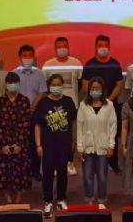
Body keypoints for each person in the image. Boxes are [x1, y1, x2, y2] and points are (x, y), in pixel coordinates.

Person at [34, 74, 78, 218]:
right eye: (54, 85)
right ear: (49, 86)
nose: (56, 87)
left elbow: (73, 122)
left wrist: (74, 140)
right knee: (47, 173)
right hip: (47, 145)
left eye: (59, 84)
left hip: (64, 144)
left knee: (62, 173)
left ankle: (61, 199)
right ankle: (47, 201)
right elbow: (37, 125)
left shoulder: (68, 101)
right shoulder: (43, 103)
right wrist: (38, 144)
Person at [82, 35, 124, 175]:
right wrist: (96, 100)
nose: (103, 48)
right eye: (100, 45)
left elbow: (119, 85)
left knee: (112, 134)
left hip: (111, 105)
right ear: (95, 47)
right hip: (93, 105)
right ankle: (94, 163)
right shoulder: (90, 64)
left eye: (106, 45)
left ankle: (113, 163)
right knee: (93, 133)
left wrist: (108, 101)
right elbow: (85, 85)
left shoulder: (115, 64)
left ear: (109, 47)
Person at [43, 36, 84, 177]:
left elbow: (79, 84)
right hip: (53, 107)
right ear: (55, 48)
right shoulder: (48, 65)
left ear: (68, 47)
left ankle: (69, 162)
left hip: (71, 105)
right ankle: (55, 164)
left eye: (64, 46)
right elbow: (46, 86)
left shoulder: (76, 63)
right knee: (54, 136)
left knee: (70, 136)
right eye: (59, 46)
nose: (62, 49)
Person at [77, 76, 117, 206]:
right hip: (87, 147)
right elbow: (80, 126)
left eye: (98, 88)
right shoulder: (83, 105)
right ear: (89, 90)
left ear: (102, 89)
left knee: (102, 176)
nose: (95, 90)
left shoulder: (109, 105)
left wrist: (111, 145)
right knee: (87, 176)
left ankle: (101, 200)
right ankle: (89, 199)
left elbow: (113, 125)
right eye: (93, 88)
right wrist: (79, 147)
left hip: (103, 147)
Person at [0, 72, 32, 205]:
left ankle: (19, 196)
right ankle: (8, 197)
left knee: (21, 170)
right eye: (10, 83)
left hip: (20, 141)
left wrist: (19, 144)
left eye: (15, 82)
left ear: (18, 84)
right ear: (6, 84)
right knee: (4, 171)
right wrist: (3, 144)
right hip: (4, 141)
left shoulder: (24, 100)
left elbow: (26, 123)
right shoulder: (0, 101)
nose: (12, 85)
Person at [14, 44, 47, 181]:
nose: (27, 58)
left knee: (35, 143)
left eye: (30, 56)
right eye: (24, 56)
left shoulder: (39, 73)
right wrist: (22, 108)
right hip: (19, 114)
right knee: (21, 142)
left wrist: (32, 107)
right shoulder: (14, 74)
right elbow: (12, 92)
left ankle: (35, 171)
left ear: (33, 57)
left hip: (35, 113)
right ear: (20, 57)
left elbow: (42, 92)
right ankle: (22, 170)